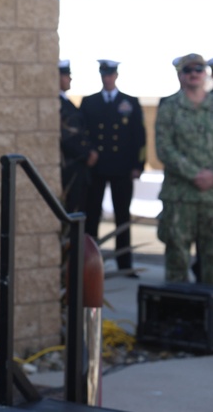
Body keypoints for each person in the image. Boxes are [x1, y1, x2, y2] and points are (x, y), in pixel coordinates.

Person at [154, 53, 213, 285]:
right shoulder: (169, 107)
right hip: (180, 198)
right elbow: (164, 148)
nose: (193, 74)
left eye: (198, 69)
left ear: (205, 74)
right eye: (188, 70)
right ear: (180, 75)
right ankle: (178, 316)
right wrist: (195, 174)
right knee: (177, 261)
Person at [79, 59, 146, 277]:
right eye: (104, 74)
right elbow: (82, 133)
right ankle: (89, 263)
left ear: (116, 76)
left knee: (122, 216)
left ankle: (124, 264)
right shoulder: (90, 102)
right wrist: (88, 152)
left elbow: (139, 137)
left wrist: (138, 165)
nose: (107, 78)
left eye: (110, 74)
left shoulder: (130, 102)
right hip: (97, 168)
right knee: (92, 216)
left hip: (122, 168)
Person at [59, 60, 96, 213]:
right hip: (70, 167)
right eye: (67, 75)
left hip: (78, 167)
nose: (70, 79)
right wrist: (87, 154)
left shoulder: (66, 102)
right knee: (72, 210)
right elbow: (67, 137)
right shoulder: (58, 103)